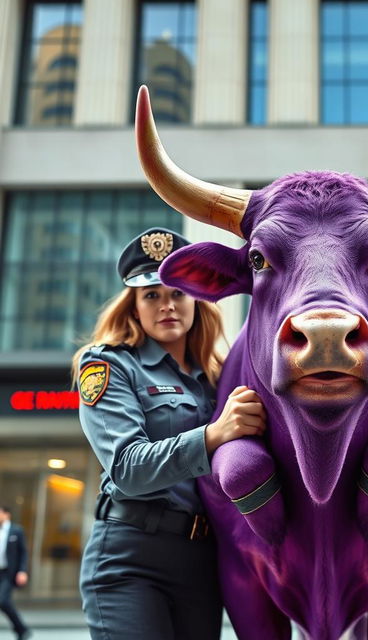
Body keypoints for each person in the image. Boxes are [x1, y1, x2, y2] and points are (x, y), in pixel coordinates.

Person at [72, 227, 266, 640]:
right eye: (152, 295)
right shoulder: (109, 366)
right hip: (130, 557)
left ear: (196, 300)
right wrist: (214, 435)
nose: (167, 305)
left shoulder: (219, 377)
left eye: (177, 293)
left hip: (203, 560)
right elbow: (127, 468)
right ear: (134, 306)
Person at [0, 505, 31, 640]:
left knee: (3, 601)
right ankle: (21, 629)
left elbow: (23, 553)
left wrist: (22, 571)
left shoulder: (16, 531)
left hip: (8, 572)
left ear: (7, 514)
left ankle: (21, 628)